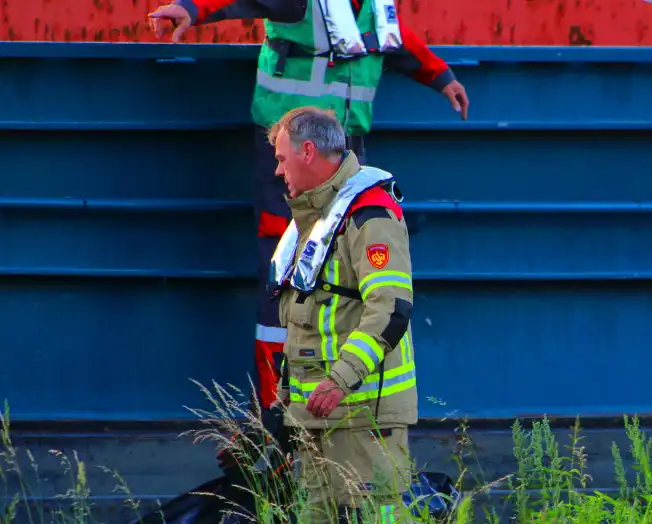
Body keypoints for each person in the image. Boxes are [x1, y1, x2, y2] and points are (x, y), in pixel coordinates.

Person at [148, 0, 467, 413]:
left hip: (345, 152)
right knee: (282, 282)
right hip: (290, 156)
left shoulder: (373, 6)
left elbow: (394, 41)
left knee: (340, 275)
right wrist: (190, 10)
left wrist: (441, 76)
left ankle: (325, 398)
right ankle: (272, 415)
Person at [259, 105, 420, 524]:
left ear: (308, 151)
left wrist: (340, 378)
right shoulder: (315, 219)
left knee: (383, 522)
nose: (276, 169)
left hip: (363, 407)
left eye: (282, 158)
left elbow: (390, 307)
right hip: (316, 410)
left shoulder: (369, 215)